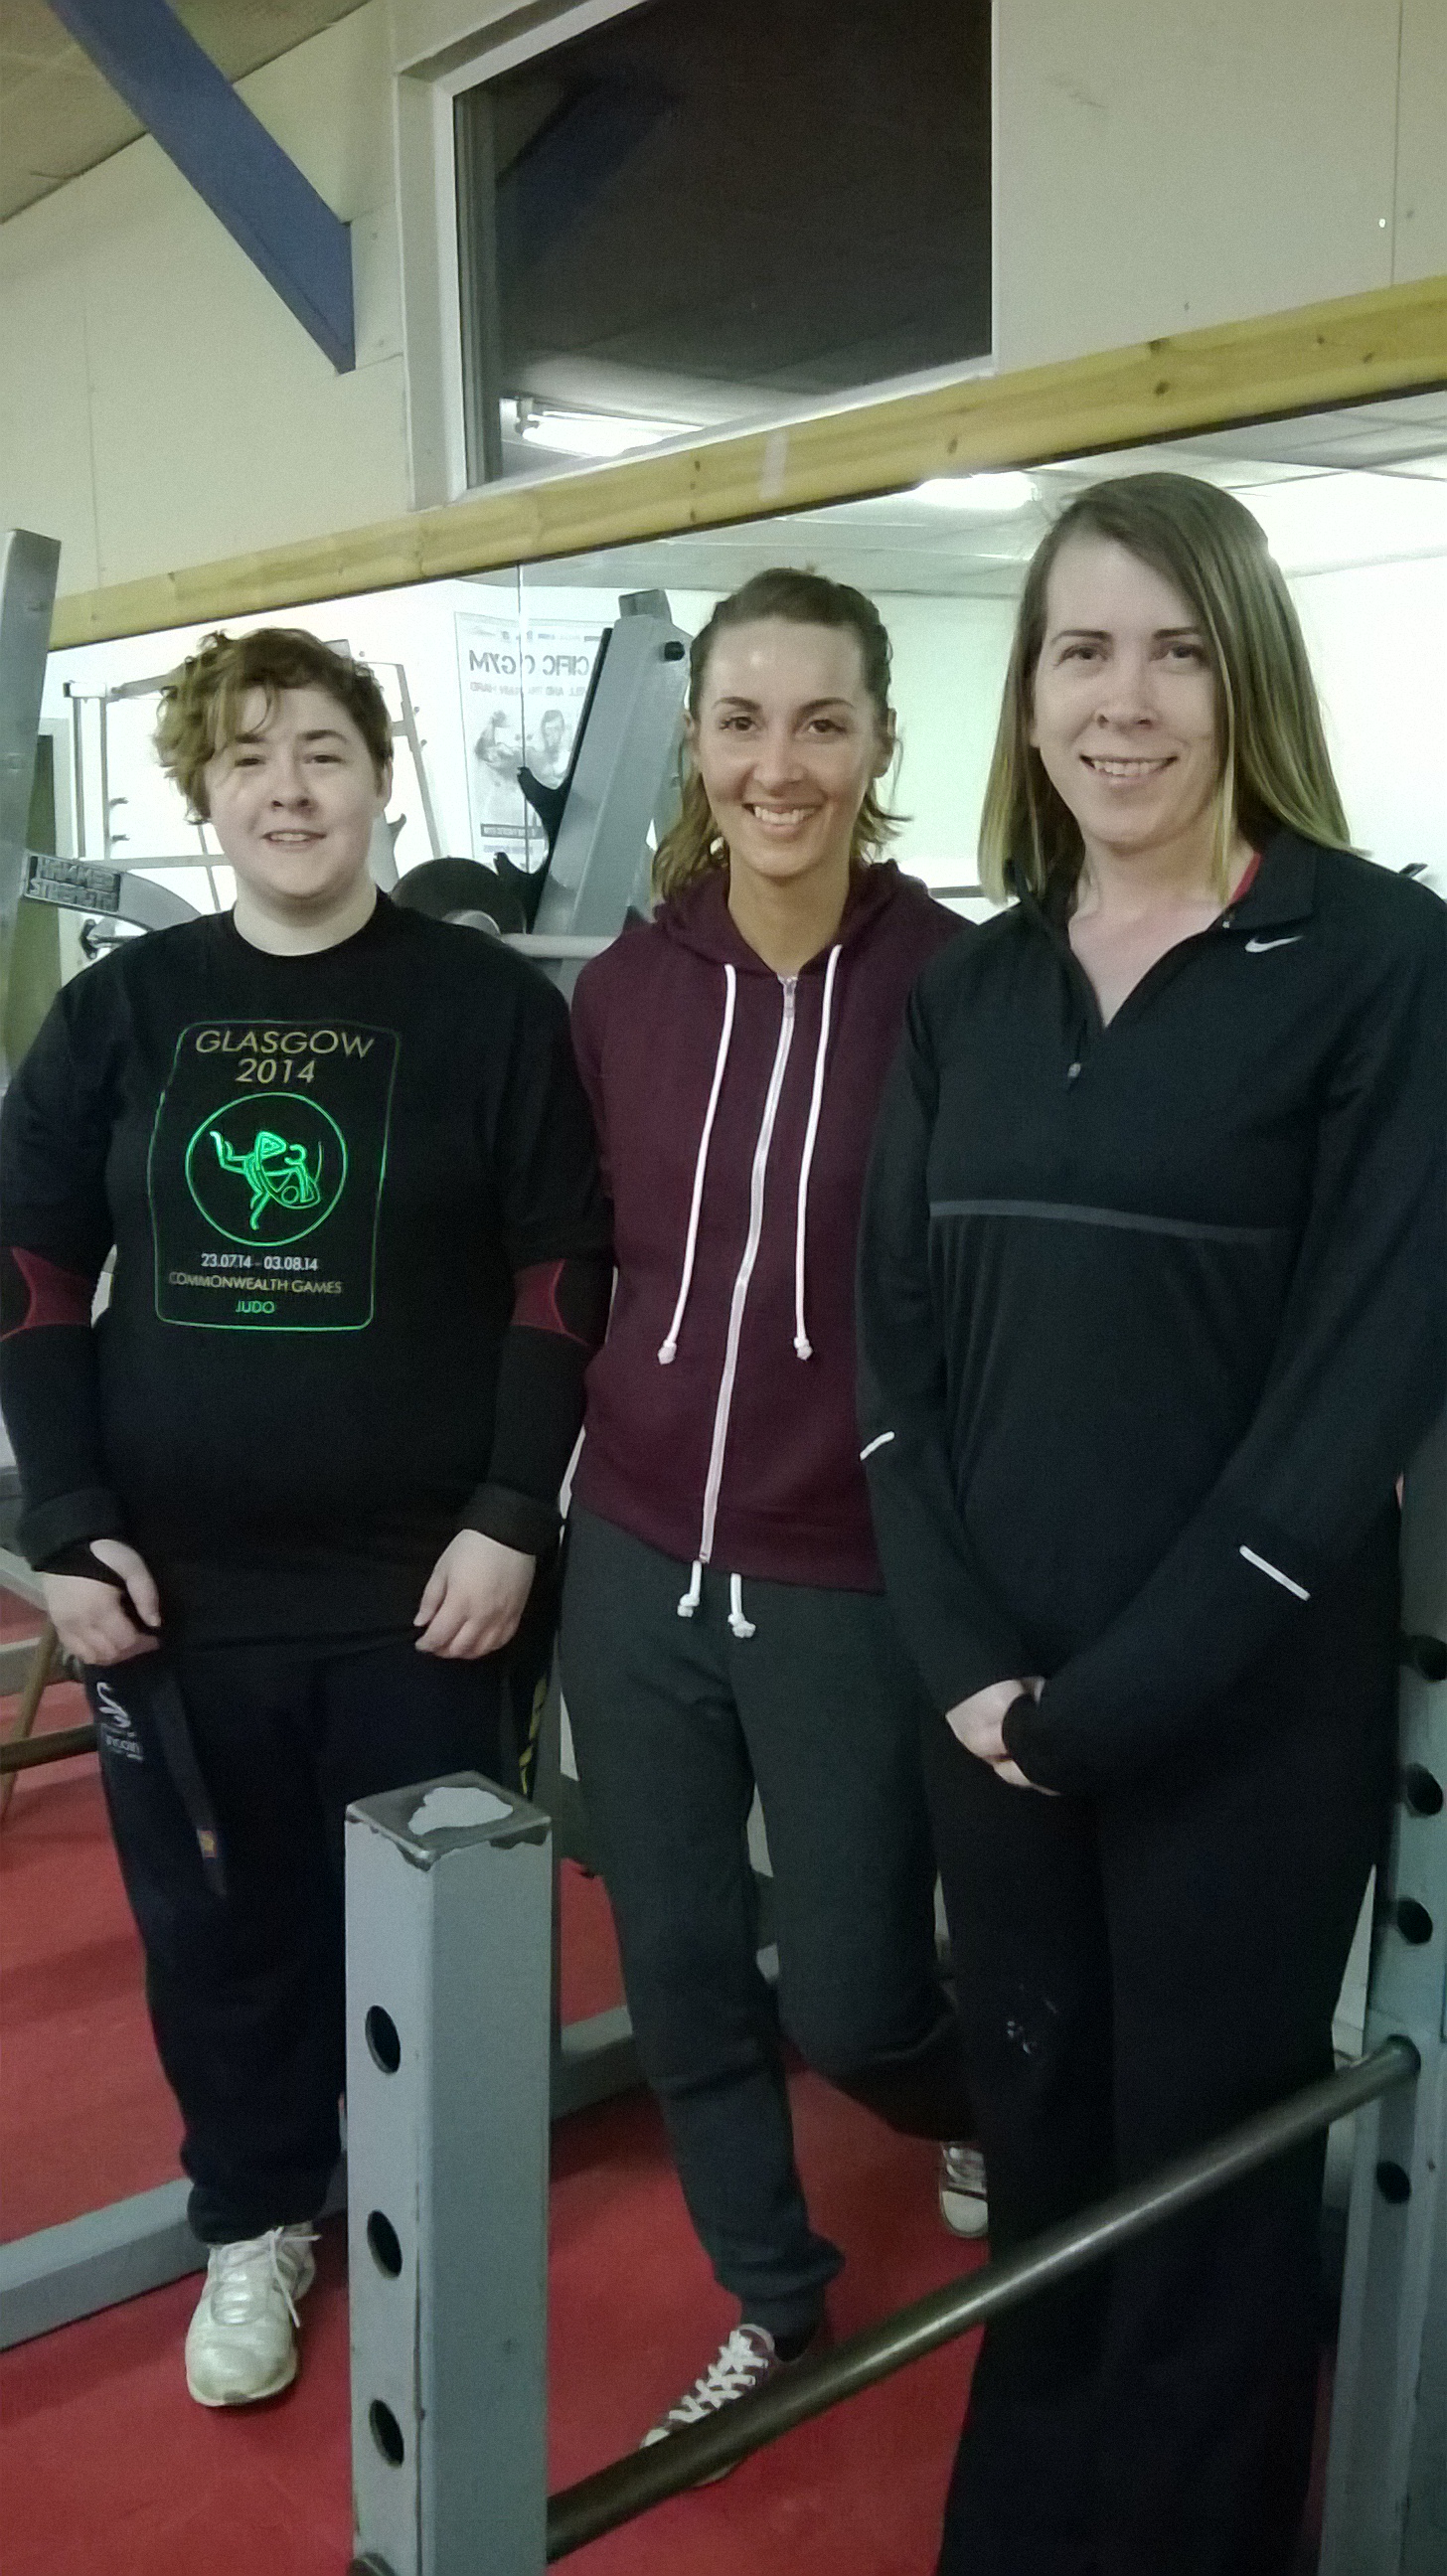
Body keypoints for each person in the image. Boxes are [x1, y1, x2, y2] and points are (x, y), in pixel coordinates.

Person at [858, 472, 1446, 2575]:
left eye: (1177, 651)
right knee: (1040, 2162)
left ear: (1245, 675)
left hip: (1233, 1723)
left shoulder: (1377, 963)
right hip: (995, 1716)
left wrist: (1114, 1703)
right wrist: (971, 1675)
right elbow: (894, 1366)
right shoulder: (972, 990)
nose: (1126, 702)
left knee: (1200, 2188)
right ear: (1026, 696)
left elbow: (1353, 1391)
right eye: (1082, 652)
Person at [0, 628, 609, 2409]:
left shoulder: (489, 1009)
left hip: (429, 1587)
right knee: (220, 1930)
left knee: (434, 1929)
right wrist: (66, 1522)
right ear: (203, 789)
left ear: (379, 780)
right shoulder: (122, 1011)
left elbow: (562, 1270)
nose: (288, 788)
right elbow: (31, 1268)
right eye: (250, 755)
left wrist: (515, 1512)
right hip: (172, 1590)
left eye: (324, 751)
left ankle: (441, 2205)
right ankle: (255, 2218)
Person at [560, 566, 981, 2450]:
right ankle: (771, 2297)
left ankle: (979, 2110)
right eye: (743, 721)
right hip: (636, 1553)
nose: (779, 764)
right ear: (696, 742)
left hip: (847, 1570)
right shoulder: (624, 992)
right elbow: (576, 1261)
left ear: (881, 740)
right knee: (674, 1966)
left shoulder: (961, 987)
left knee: (863, 1999)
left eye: (822, 721)